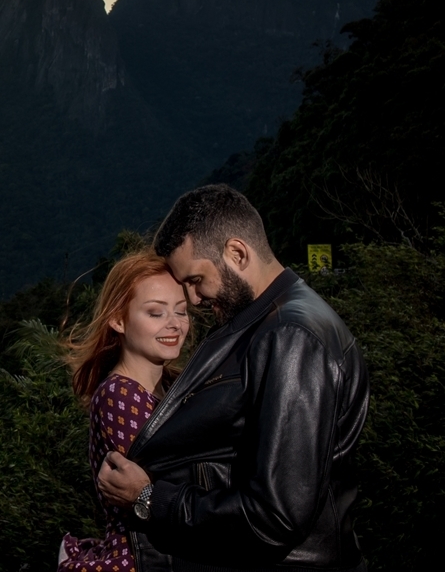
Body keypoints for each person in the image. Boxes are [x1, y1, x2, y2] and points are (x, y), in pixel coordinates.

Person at [97, 184, 369, 572]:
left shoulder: (290, 337)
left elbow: (277, 515)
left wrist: (149, 499)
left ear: (237, 253)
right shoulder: (269, 322)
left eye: (195, 280)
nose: (193, 300)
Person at [59, 250, 190, 572]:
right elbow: (164, 487)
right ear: (118, 320)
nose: (174, 324)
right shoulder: (120, 394)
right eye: (155, 313)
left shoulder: (169, 384)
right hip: (143, 557)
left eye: (182, 311)